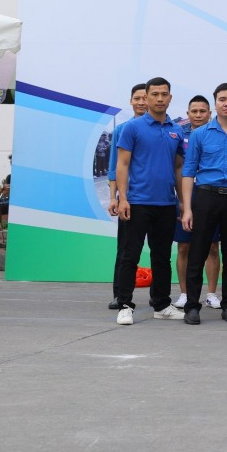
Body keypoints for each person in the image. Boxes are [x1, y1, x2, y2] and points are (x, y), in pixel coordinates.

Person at [113, 77, 186, 325]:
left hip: (165, 204)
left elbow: (179, 168)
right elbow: (122, 164)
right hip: (137, 203)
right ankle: (124, 304)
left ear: (170, 97)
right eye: (154, 94)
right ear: (146, 96)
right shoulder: (132, 128)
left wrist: (182, 202)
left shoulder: (176, 130)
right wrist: (123, 198)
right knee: (129, 256)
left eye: (164, 94)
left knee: (162, 257)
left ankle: (162, 304)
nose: (159, 98)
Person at [179, 83, 227, 324]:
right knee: (197, 252)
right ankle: (192, 306)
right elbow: (188, 171)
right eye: (222, 99)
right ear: (215, 103)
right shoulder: (200, 134)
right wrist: (187, 208)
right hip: (205, 197)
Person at [105, 84, 148, 309]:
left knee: (160, 254)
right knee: (125, 251)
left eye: (145, 98)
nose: (141, 102)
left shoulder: (162, 128)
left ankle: (159, 299)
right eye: (137, 98)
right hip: (129, 200)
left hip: (155, 200)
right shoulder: (122, 129)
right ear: (131, 101)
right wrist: (115, 197)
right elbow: (115, 166)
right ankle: (120, 295)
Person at [175, 95, 211, 309]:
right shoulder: (178, 135)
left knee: (212, 247)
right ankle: (184, 293)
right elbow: (177, 167)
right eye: (194, 111)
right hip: (184, 195)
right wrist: (182, 200)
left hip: (209, 194)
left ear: (209, 114)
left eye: (202, 111)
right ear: (188, 114)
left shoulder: (216, 134)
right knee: (184, 247)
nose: (198, 115)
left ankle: (212, 294)